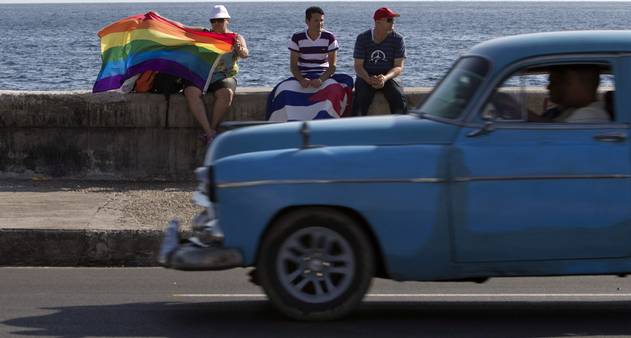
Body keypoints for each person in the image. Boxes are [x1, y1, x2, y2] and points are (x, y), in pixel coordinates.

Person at [266, 6, 354, 121]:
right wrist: (301, 79)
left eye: (322, 20)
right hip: (302, 77)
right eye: (316, 20)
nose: (320, 24)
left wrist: (321, 80)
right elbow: (293, 66)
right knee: (282, 92)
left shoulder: (330, 38)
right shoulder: (297, 37)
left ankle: (324, 122)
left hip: (323, 77)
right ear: (307, 21)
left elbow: (332, 67)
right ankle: (287, 124)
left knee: (336, 90)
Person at [184, 5, 249, 143]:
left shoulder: (235, 38)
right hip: (202, 75)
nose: (216, 23)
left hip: (223, 76)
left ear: (227, 20)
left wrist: (239, 49)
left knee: (226, 94)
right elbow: (182, 30)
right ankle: (209, 132)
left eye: (220, 20)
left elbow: (245, 54)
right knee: (190, 92)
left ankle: (211, 130)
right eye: (213, 21)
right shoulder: (204, 35)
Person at [351, 7, 407, 116]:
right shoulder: (363, 38)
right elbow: (358, 66)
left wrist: (384, 78)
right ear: (378, 22)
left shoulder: (398, 39)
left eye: (393, 20)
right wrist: (368, 79)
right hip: (366, 76)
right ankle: (358, 128)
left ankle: (400, 129)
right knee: (361, 98)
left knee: (399, 98)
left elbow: (398, 67)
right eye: (389, 20)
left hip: (388, 77)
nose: (393, 23)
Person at [532, 65, 609, 123]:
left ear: (579, 85)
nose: (548, 87)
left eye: (554, 82)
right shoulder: (569, 109)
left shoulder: (590, 115)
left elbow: (552, 137)